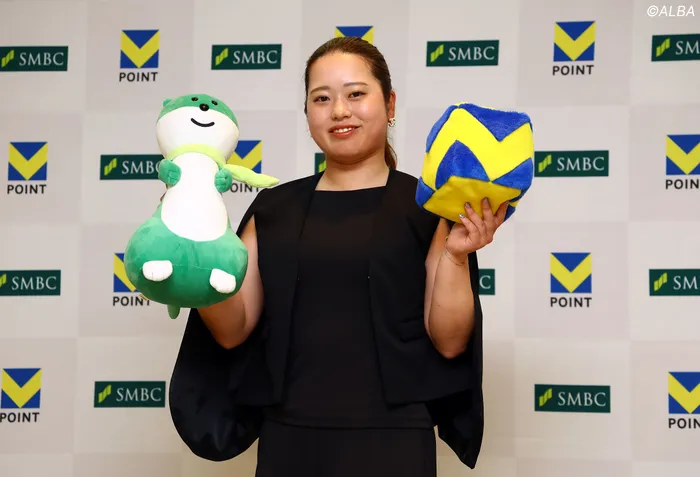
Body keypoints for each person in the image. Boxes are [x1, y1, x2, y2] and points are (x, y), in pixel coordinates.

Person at [167, 36, 507, 477]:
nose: (340, 111)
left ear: (389, 104)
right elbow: (233, 331)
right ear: (307, 113)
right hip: (288, 437)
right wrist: (197, 250)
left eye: (356, 94)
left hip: (395, 440)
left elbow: (450, 341)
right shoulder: (273, 209)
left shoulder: (427, 207)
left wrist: (456, 257)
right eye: (322, 98)